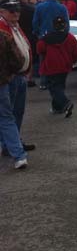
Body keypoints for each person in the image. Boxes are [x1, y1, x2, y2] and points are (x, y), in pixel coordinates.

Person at [0, 0, 35, 158]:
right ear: (2, 12)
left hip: (21, 75)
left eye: (18, 11)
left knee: (18, 111)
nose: (16, 14)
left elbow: (24, 47)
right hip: (10, 76)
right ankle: (13, 147)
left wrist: (28, 68)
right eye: (12, 11)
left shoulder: (14, 26)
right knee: (8, 114)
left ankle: (11, 143)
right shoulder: (2, 28)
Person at [36, 16, 77, 117]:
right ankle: (57, 108)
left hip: (50, 66)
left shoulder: (46, 38)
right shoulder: (70, 37)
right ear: (65, 25)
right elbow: (76, 52)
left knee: (54, 88)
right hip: (65, 66)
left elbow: (40, 50)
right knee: (59, 86)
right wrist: (72, 62)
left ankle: (65, 103)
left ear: (53, 26)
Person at [0, 29, 28, 169]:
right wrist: (8, 73)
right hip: (2, 84)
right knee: (6, 118)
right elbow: (18, 60)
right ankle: (19, 156)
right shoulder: (4, 36)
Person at [12, 0, 37, 87]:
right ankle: (28, 78)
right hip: (30, 34)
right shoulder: (31, 9)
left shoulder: (11, 9)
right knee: (29, 56)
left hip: (16, 34)